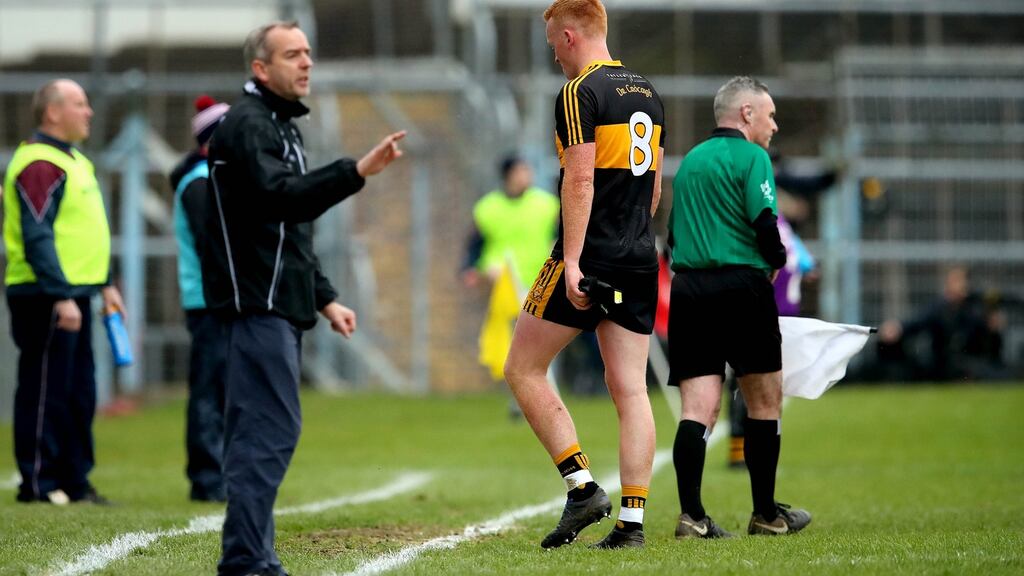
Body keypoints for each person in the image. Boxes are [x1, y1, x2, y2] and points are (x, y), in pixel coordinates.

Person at [205, 21, 405, 576]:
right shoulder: (247, 125)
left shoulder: (279, 126)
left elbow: (286, 233)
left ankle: (251, 555)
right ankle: (246, 559)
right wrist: (355, 172)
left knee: (266, 430)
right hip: (256, 305)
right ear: (260, 69)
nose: (307, 63)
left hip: (279, 305)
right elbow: (282, 200)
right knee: (266, 432)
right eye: (292, 54)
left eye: (309, 53)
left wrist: (324, 298)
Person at [503, 0, 665, 549]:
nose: (553, 52)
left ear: (570, 35)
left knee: (523, 368)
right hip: (640, 255)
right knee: (631, 391)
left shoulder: (580, 92)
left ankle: (581, 488)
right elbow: (655, 190)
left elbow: (579, 181)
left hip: (590, 257)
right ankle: (632, 525)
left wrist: (572, 261)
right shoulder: (647, 91)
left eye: (553, 42)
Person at [667, 76, 811, 539]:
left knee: (698, 408)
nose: (774, 124)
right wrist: (776, 262)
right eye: (769, 115)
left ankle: (692, 516)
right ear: (746, 113)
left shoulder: (689, 162)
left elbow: (672, 238)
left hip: (689, 289)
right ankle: (766, 514)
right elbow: (766, 222)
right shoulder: (754, 158)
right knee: (765, 401)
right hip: (741, 286)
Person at [3, 79, 124, 505]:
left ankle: (75, 481)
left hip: (76, 294)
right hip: (45, 295)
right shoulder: (39, 164)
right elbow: (37, 236)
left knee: (78, 391)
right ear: (52, 113)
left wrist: (105, 284)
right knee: (44, 392)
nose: (88, 111)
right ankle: (38, 483)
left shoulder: (75, 161)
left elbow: (85, 231)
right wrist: (59, 295)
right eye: (79, 103)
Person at [169, 95, 231, 502]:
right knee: (209, 390)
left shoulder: (209, 179)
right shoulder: (199, 183)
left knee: (222, 389)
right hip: (209, 301)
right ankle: (207, 479)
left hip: (219, 299)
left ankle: (219, 474)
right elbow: (214, 244)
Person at [878, 266, 1007, 382]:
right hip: (943, 364)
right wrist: (898, 327)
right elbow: (918, 320)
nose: (960, 286)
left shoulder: (974, 307)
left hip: (971, 361)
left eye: (962, 282)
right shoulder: (940, 307)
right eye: (955, 282)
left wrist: (992, 324)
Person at [461, 155, 559, 290]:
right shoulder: (487, 207)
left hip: (539, 280)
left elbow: (557, 237)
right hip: (500, 281)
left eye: (528, 170)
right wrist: (470, 267)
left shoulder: (547, 203)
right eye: (520, 171)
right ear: (508, 175)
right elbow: (475, 243)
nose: (526, 175)